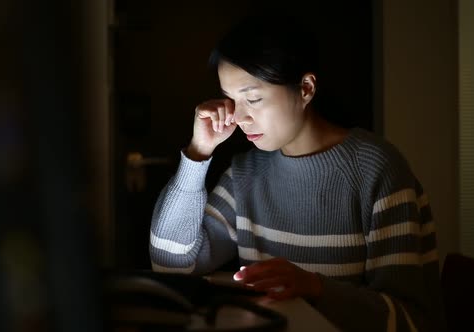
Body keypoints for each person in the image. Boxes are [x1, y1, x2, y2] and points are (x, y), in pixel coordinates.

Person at [149, 14, 445, 331]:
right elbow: (170, 265)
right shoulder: (246, 173)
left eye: (253, 98)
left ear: (305, 88)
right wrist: (197, 153)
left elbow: (411, 321)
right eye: (231, 100)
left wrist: (315, 288)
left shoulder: (377, 169)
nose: (240, 117)